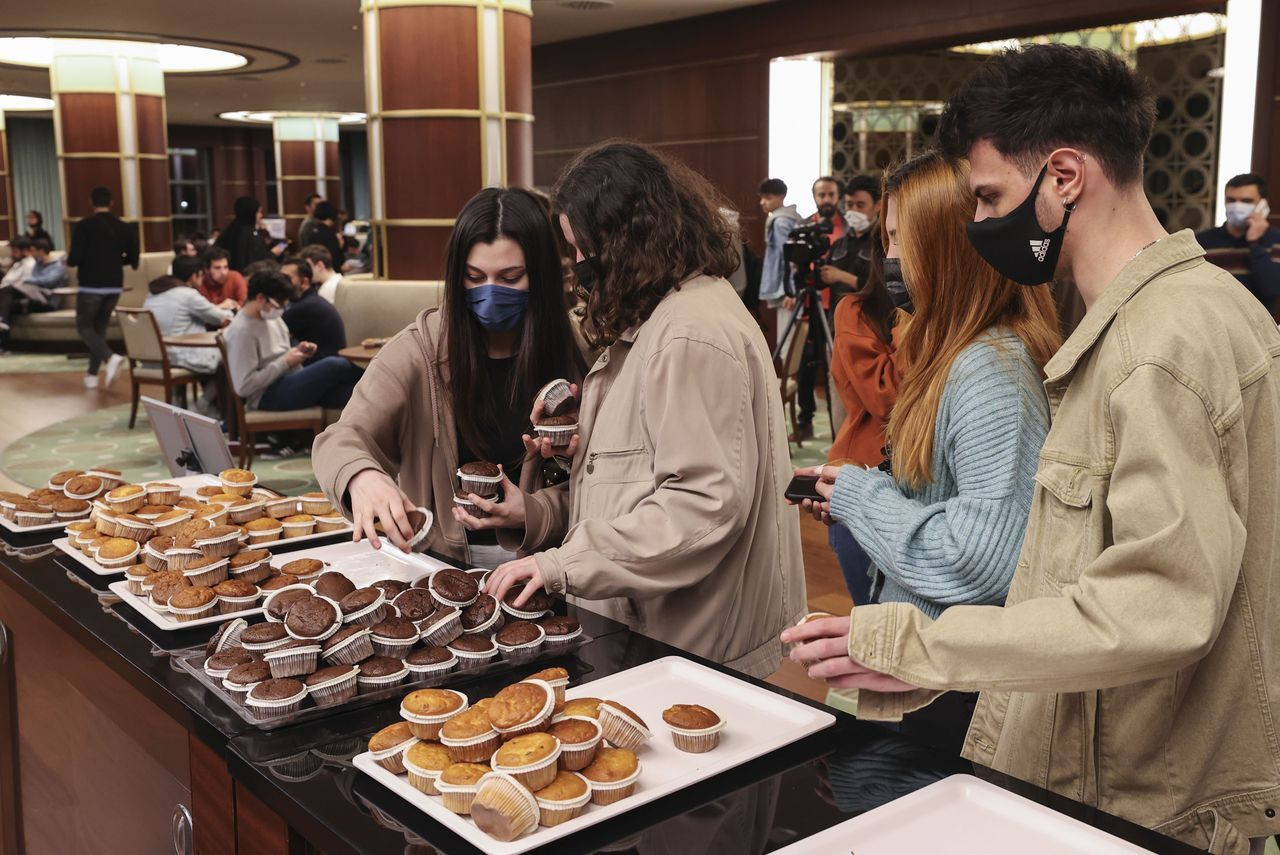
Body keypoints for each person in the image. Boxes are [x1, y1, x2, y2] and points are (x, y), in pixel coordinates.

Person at [785, 44, 1280, 853]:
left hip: (1136, 795)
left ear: (1065, 176)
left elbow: (1158, 606)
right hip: (1113, 766)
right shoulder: (1166, 319)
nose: (979, 224)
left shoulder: (1162, 341)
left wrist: (920, 647)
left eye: (989, 196)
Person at [478, 141, 807, 678]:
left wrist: (563, 563)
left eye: (581, 249)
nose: (579, 266)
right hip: (671, 633)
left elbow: (702, 506)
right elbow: (653, 466)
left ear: (624, 239)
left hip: (691, 644)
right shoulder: (669, 315)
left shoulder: (688, 332)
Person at [800, 151, 1061, 751]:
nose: (888, 259)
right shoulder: (955, 351)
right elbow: (950, 500)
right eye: (886, 239)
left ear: (946, 246)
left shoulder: (989, 368)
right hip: (937, 664)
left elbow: (981, 558)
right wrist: (865, 496)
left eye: (900, 239)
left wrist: (864, 499)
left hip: (958, 681)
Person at [312, 187, 585, 567]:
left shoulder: (580, 350)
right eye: (475, 277)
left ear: (541, 276)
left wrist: (535, 512)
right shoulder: (418, 351)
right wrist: (361, 476)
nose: (491, 292)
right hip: (442, 565)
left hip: (556, 564)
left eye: (510, 277)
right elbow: (340, 438)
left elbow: (613, 484)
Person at [825, 229, 898, 609]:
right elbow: (885, 396)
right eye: (891, 240)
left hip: (918, 490)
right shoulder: (855, 310)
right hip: (866, 475)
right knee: (876, 620)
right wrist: (916, 321)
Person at [222, 269, 362, 414]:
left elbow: (281, 353)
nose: (281, 309)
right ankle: (375, 376)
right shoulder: (242, 331)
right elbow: (243, 386)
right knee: (335, 364)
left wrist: (298, 352)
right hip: (266, 395)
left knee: (355, 394)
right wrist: (285, 362)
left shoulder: (271, 317)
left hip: (291, 379)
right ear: (261, 298)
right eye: (279, 304)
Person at [67, 186, 138, 389]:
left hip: (91, 286)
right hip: (115, 285)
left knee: (84, 327)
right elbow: (134, 259)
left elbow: (74, 259)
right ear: (111, 203)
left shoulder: (84, 226)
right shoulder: (125, 227)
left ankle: (109, 357)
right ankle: (91, 376)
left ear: (91, 202)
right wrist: (114, 260)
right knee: (99, 330)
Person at [143, 257, 232, 412]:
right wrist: (230, 310)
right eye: (201, 275)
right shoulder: (187, 294)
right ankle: (202, 404)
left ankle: (180, 401)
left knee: (217, 357)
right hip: (178, 355)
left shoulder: (154, 292)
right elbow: (219, 317)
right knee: (229, 358)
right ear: (193, 276)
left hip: (154, 356)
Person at [1195, 172, 1280, 312]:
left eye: (1246, 201)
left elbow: (1271, 289)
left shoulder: (1276, 240)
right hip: (1214, 320)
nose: (1236, 206)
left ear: (1263, 204)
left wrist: (1255, 243)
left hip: (1257, 323)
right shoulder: (1203, 241)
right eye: (1231, 200)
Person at [822, 174, 882, 309]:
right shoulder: (839, 245)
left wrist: (842, 276)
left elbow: (882, 288)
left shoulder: (883, 243)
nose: (853, 210)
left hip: (870, 316)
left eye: (860, 205)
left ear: (877, 205)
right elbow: (823, 279)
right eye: (849, 205)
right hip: (837, 315)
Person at [0, 237, 64, 351]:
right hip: (35, 296)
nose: (30, 253)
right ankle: (4, 343)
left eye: (33, 250)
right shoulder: (37, 265)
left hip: (47, 301)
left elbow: (47, 281)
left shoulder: (57, 266)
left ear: (41, 251)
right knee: (6, 305)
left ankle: (3, 329)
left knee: (7, 292)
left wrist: (27, 280)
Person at [280, 256, 347, 362]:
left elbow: (273, 334)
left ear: (304, 282)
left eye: (287, 279)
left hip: (321, 366)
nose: (281, 283)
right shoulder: (313, 300)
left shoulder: (305, 307)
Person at [757, 178, 802, 310]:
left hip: (785, 287)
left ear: (781, 197)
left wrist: (791, 289)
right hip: (787, 285)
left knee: (788, 321)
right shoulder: (790, 217)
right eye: (761, 198)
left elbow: (789, 257)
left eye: (768, 198)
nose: (762, 202)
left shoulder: (780, 222)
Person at [214, 196, 283, 273]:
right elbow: (258, 261)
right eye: (258, 212)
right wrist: (273, 253)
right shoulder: (249, 234)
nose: (261, 215)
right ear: (251, 213)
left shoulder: (231, 229)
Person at [305, 201, 345, 275]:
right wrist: (340, 246)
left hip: (315, 271)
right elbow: (338, 260)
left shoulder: (312, 231)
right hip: (330, 273)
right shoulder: (330, 234)